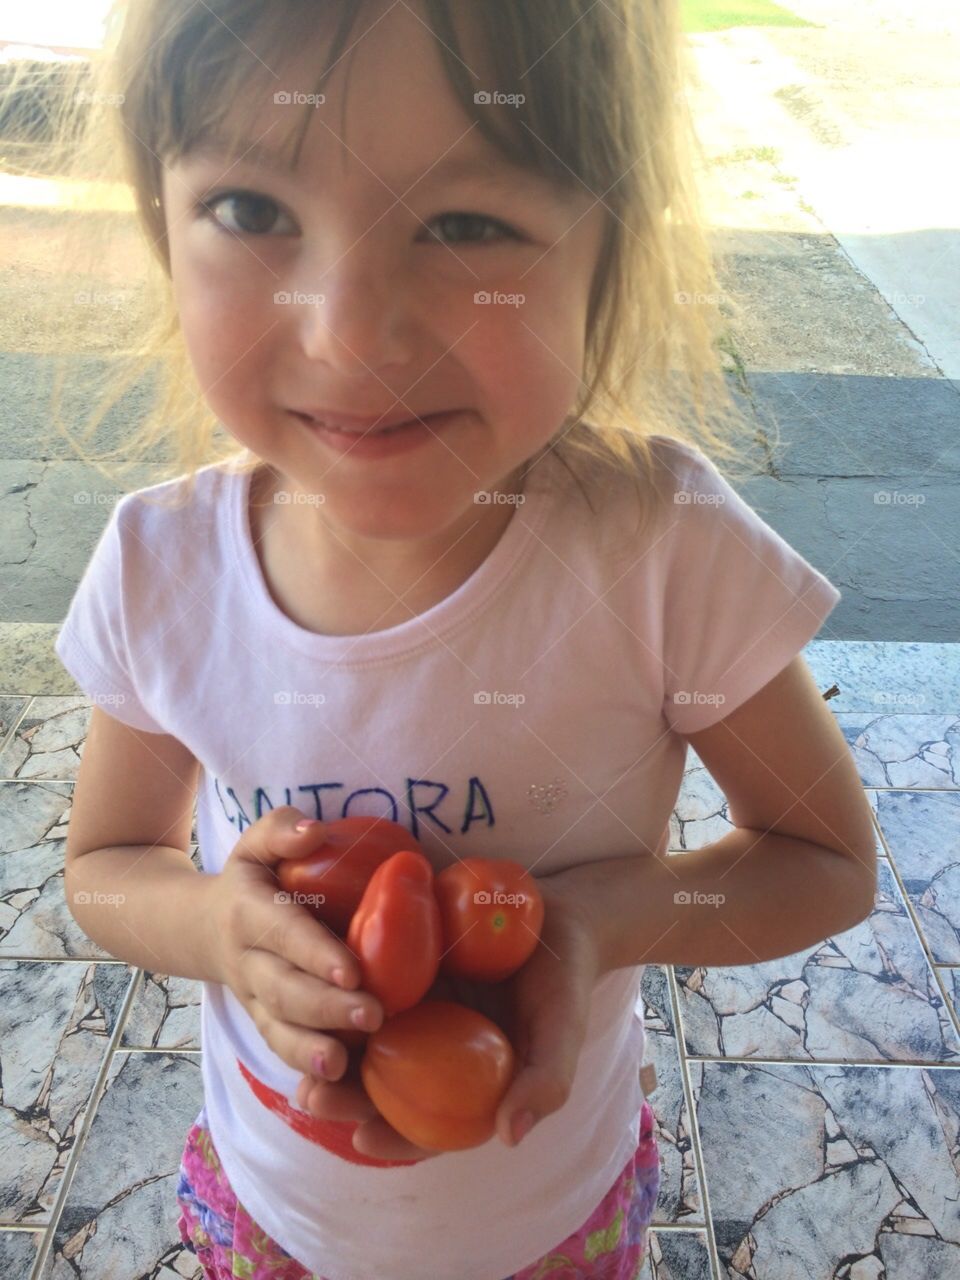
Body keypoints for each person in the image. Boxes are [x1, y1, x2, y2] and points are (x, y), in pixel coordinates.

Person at [51, 1, 878, 1277]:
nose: (349, 331)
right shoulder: (165, 570)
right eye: (252, 210)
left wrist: (608, 918)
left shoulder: (662, 553)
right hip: (273, 1214)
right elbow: (105, 864)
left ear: (612, 254)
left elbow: (826, 859)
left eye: (466, 224)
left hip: (553, 1225)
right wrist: (216, 924)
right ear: (161, 222)